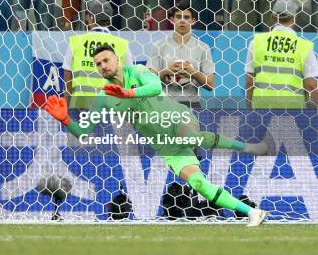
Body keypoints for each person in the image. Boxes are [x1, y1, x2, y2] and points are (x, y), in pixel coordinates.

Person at [44, 44, 270, 227]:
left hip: (180, 119)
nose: (103, 66)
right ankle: (253, 212)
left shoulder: (139, 72)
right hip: (165, 145)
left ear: (117, 60)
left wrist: (128, 93)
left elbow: (154, 87)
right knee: (200, 184)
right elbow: (83, 133)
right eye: (98, 64)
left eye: (107, 60)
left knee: (189, 138)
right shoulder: (103, 97)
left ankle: (249, 147)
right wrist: (65, 119)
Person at [245, 0, 318, 109]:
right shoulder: (304, 46)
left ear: (272, 17)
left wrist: (250, 108)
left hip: (261, 105)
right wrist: (313, 115)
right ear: (294, 18)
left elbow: (250, 82)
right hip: (292, 108)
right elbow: (311, 85)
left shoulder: (256, 42)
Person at [62, 0, 134, 104]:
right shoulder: (122, 44)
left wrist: (66, 106)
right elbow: (130, 81)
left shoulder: (76, 41)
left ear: (90, 18)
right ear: (110, 20)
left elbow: (68, 79)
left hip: (79, 107)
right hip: (109, 108)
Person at [148, 0, 215, 108]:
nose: (182, 21)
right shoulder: (158, 46)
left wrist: (193, 73)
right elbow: (149, 82)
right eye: (178, 17)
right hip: (164, 104)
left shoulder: (203, 48)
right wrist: (167, 71)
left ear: (193, 21)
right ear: (172, 20)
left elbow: (210, 85)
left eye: (186, 17)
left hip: (192, 104)